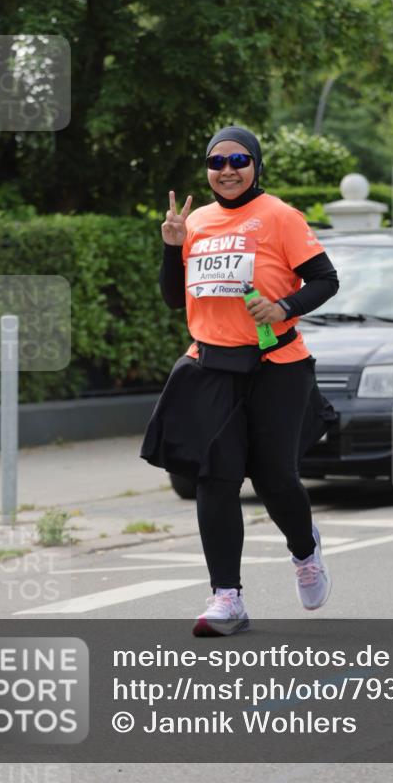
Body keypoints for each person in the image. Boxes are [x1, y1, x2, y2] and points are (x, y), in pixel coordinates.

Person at [140, 125, 340, 636]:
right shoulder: (197, 222)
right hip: (211, 366)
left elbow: (325, 279)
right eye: (216, 162)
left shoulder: (280, 216)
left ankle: (304, 551)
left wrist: (283, 306)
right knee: (215, 478)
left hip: (277, 365)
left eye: (238, 160)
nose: (227, 170)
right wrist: (171, 246)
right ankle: (227, 597)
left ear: (255, 165)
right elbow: (173, 298)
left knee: (276, 479)